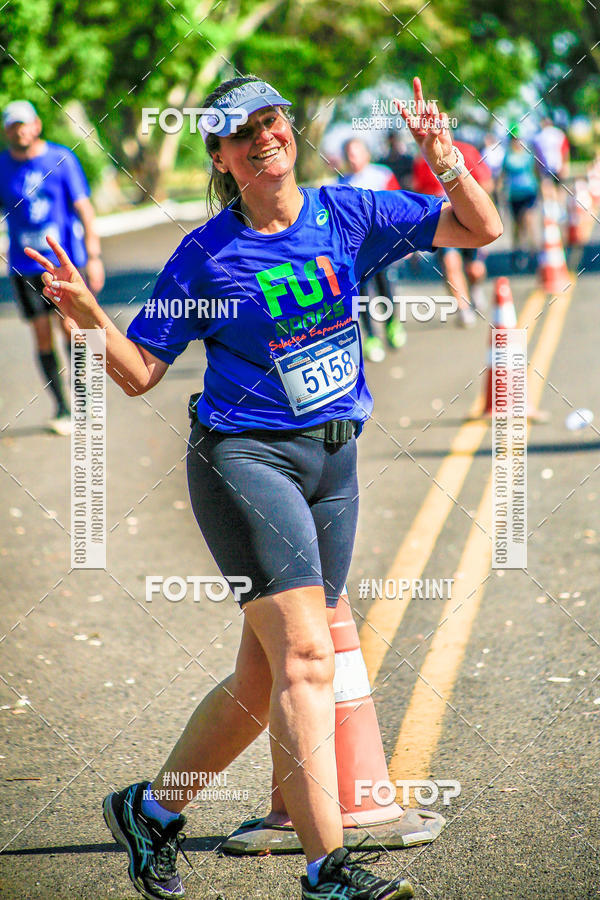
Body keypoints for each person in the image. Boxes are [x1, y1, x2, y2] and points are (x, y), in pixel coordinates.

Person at [25, 74, 502, 900]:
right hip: (245, 460)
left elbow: (480, 228)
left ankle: (151, 810)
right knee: (309, 658)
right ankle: (325, 869)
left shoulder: (347, 213)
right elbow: (139, 372)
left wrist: (443, 156)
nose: (262, 138)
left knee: (263, 678)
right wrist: (87, 314)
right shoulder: (206, 256)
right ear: (219, 156)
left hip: (334, 465)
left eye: (270, 121)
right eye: (240, 133)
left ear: (289, 127)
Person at [0, 100, 104, 435]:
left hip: (63, 264)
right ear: (6, 131)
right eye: (13, 126)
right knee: (41, 335)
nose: (19, 131)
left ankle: (84, 399)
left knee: (71, 329)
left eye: (24, 124)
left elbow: (84, 209)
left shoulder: (61, 159)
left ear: (37, 125)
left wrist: (94, 257)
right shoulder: (2, 166)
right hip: (23, 266)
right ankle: (61, 407)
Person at [412, 138, 493, 326]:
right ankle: (463, 308)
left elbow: (486, 182)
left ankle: (475, 287)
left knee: (475, 269)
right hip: (441, 218)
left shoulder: (467, 151)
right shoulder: (421, 161)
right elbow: (419, 193)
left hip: (468, 215)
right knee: (450, 263)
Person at [339, 137, 406, 360]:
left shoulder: (382, 175)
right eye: (349, 154)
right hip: (358, 251)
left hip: (383, 246)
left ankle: (392, 325)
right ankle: (371, 338)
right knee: (363, 293)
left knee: (386, 285)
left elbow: (398, 207)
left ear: (366, 154)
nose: (353, 158)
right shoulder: (341, 184)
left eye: (356, 153)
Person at [499, 124, 539, 270]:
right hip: (514, 195)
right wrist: (499, 194)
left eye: (517, 138)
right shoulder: (507, 156)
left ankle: (534, 253)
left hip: (528, 192)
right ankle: (517, 252)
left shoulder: (528, 154)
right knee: (517, 226)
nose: (516, 141)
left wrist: (542, 188)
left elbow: (536, 172)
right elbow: (502, 176)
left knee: (528, 220)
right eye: (513, 139)